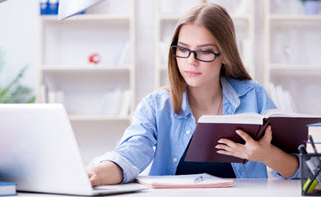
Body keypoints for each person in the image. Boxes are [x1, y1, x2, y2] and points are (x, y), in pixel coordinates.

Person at [87, 3, 300, 186]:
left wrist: (265, 155)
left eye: (205, 51)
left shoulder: (254, 96)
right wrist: (93, 175)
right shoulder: (156, 106)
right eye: (183, 49)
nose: (191, 60)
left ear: (224, 55)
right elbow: (129, 155)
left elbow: (302, 171)